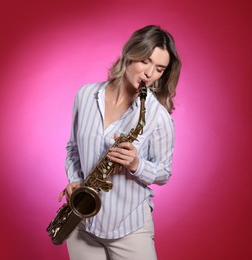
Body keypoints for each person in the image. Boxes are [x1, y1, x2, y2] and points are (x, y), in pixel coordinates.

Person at [58, 25, 181, 260]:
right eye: (145, 61)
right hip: (82, 220)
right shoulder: (85, 95)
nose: (149, 73)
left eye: (159, 69)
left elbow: (164, 172)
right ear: (130, 54)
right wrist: (74, 180)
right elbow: (73, 149)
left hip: (129, 225)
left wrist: (136, 164)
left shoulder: (157, 116)